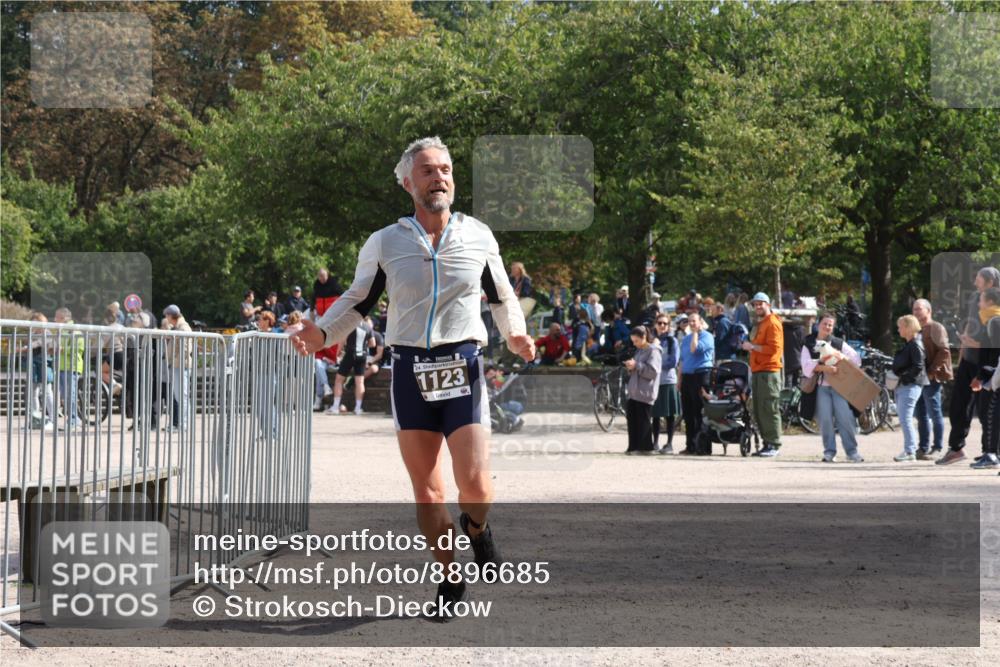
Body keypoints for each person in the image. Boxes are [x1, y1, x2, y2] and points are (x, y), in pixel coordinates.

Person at [290, 136, 534, 619]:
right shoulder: (385, 242)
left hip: (462, 365)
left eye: (444, 169)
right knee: (427, 492)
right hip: (410, 371)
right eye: (427, 170)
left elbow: (502, 297)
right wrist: (322, 334)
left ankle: (478, 530)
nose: (438, 177)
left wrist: (516, 335)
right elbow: (359, 300)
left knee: (477, 489)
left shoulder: (479, 236)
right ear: (407, 182)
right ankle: (448, 576)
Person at [939, 266, 1000, 465]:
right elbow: (968, 322)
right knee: (959, 403)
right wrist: (963, 349)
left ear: (990, 283)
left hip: (987, 360)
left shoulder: (996, 306)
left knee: (986, 409)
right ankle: (956, 448)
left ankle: (990, 451)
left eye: (979, 279)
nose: (975, 282)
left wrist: (976, 344)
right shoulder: (975, 298)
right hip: (970, 357)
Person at [800, 311, 864, 463]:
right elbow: (805, 367)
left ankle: (852, 452)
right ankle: (829, 452)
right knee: (825, 420)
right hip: (821, 387)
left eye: (830, 325)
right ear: (818, 324)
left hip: (839, 387)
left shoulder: (837, 343)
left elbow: (857, 359)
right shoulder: (809, 342)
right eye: (825, 324)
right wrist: (825, 367)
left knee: (845, 418)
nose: (827, 327)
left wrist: (841, 357)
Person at [741, 292, 784, 457]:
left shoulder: (772, 323)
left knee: (769, 409)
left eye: (761, 304)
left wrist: (752, 347)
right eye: (755, 304)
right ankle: (767, 444)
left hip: (769, 372)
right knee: (759, 409)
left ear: (768, 304)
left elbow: (774, 349)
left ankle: (774, 444)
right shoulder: (762, 322)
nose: (758, 307)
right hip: (759, 371)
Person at [912, 299, 952, 460]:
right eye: (914, 309)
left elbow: (944, 351)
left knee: (934, 413)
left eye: (919, 309)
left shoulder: (936, 327)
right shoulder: (915, 329)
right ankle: (923, 447)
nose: (915, 312)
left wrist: (931, 371)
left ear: (928, 311)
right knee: (920, 413)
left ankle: (937, 448)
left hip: (932, 377)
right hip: (918, 377)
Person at [968, 288, 1000, 469]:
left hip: (994, 376)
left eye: (981, 300)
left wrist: (982, 376)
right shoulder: (990, 321)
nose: (979, 304)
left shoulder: (994, 322)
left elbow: (994, 353)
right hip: (993, 373)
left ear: (989, 302)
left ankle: (992, 454)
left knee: (991, 415)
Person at [891, 315, 929, 462]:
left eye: (900, 326)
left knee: (905, 419)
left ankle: (909, 451)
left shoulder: (915, 344)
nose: (898, 329)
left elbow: (918, 366)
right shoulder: (911, 343)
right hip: (907, 385)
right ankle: (910, 450)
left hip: (910, 385)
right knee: (905, 418)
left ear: (908, 327)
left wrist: (903, 378)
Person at [678, 312, 714, 455]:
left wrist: (695, 333)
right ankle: (690, 445)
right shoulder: (686, 339)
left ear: (700, 322)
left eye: (694, 321)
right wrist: (679, 379)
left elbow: (694, 349)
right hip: (687, 376)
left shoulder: (707, 337)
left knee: (700, 412)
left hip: (701, 375)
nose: (691, 323)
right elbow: (682, 360)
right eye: (689, 321)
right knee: (688, 413)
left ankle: (702, 446)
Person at [623, 325, 661, 455]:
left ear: (644, 337)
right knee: (632, 420)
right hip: (634, 392)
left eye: (636, 341)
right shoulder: (639, 351)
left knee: (643, 422)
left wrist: (637, 365)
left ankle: (645, 448)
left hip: (645, 392)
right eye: (633, 341)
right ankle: (633, 447)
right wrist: (631, 367)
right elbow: (638, 368)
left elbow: (653, 373)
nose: (635, 344)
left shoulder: (653, 351)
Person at [326, 319, 375, 415]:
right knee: (360, 382)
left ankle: (335, 407)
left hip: (350, 353)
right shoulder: (367, 326)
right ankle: (358, 408)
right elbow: (373, 343)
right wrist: (364, 346)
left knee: (339, 380)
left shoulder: (350, 323)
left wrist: (337, 354)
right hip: (362, 355)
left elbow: (342, 341)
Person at [652, 314, 681, 454]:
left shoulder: (672, 341)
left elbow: (673, 362)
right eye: (659, 323)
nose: (662, 325)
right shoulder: (652, 341)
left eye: (665, 323)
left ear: (668, 326)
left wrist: (656, 365)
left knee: (669, 414)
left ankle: (669, 444)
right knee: (655, 414)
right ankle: (655, 443)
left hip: (668, 381)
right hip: (655, 382)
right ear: (655, 325)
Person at [161, 305, 192, 432]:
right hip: (177, 365)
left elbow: (185, 349)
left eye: (166, 316)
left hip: (180, 366)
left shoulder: (183, 328)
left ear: (170, 315)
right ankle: (182, 423)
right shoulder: (178, 327)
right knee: (179, 396)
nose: (166, 318)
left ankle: (183, 424)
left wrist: (174, 361)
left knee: (182, 396)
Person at [53, 307, 84, 429]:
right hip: (62, 366)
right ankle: (71, 419)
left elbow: (79, 348)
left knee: (70, 394)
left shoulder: (73, 330)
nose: (54, 319)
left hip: (71, 367)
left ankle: (74, 420)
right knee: (66, 395)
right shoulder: (62, 330)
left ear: (63, 318)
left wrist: (62, 349)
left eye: (56, 317)